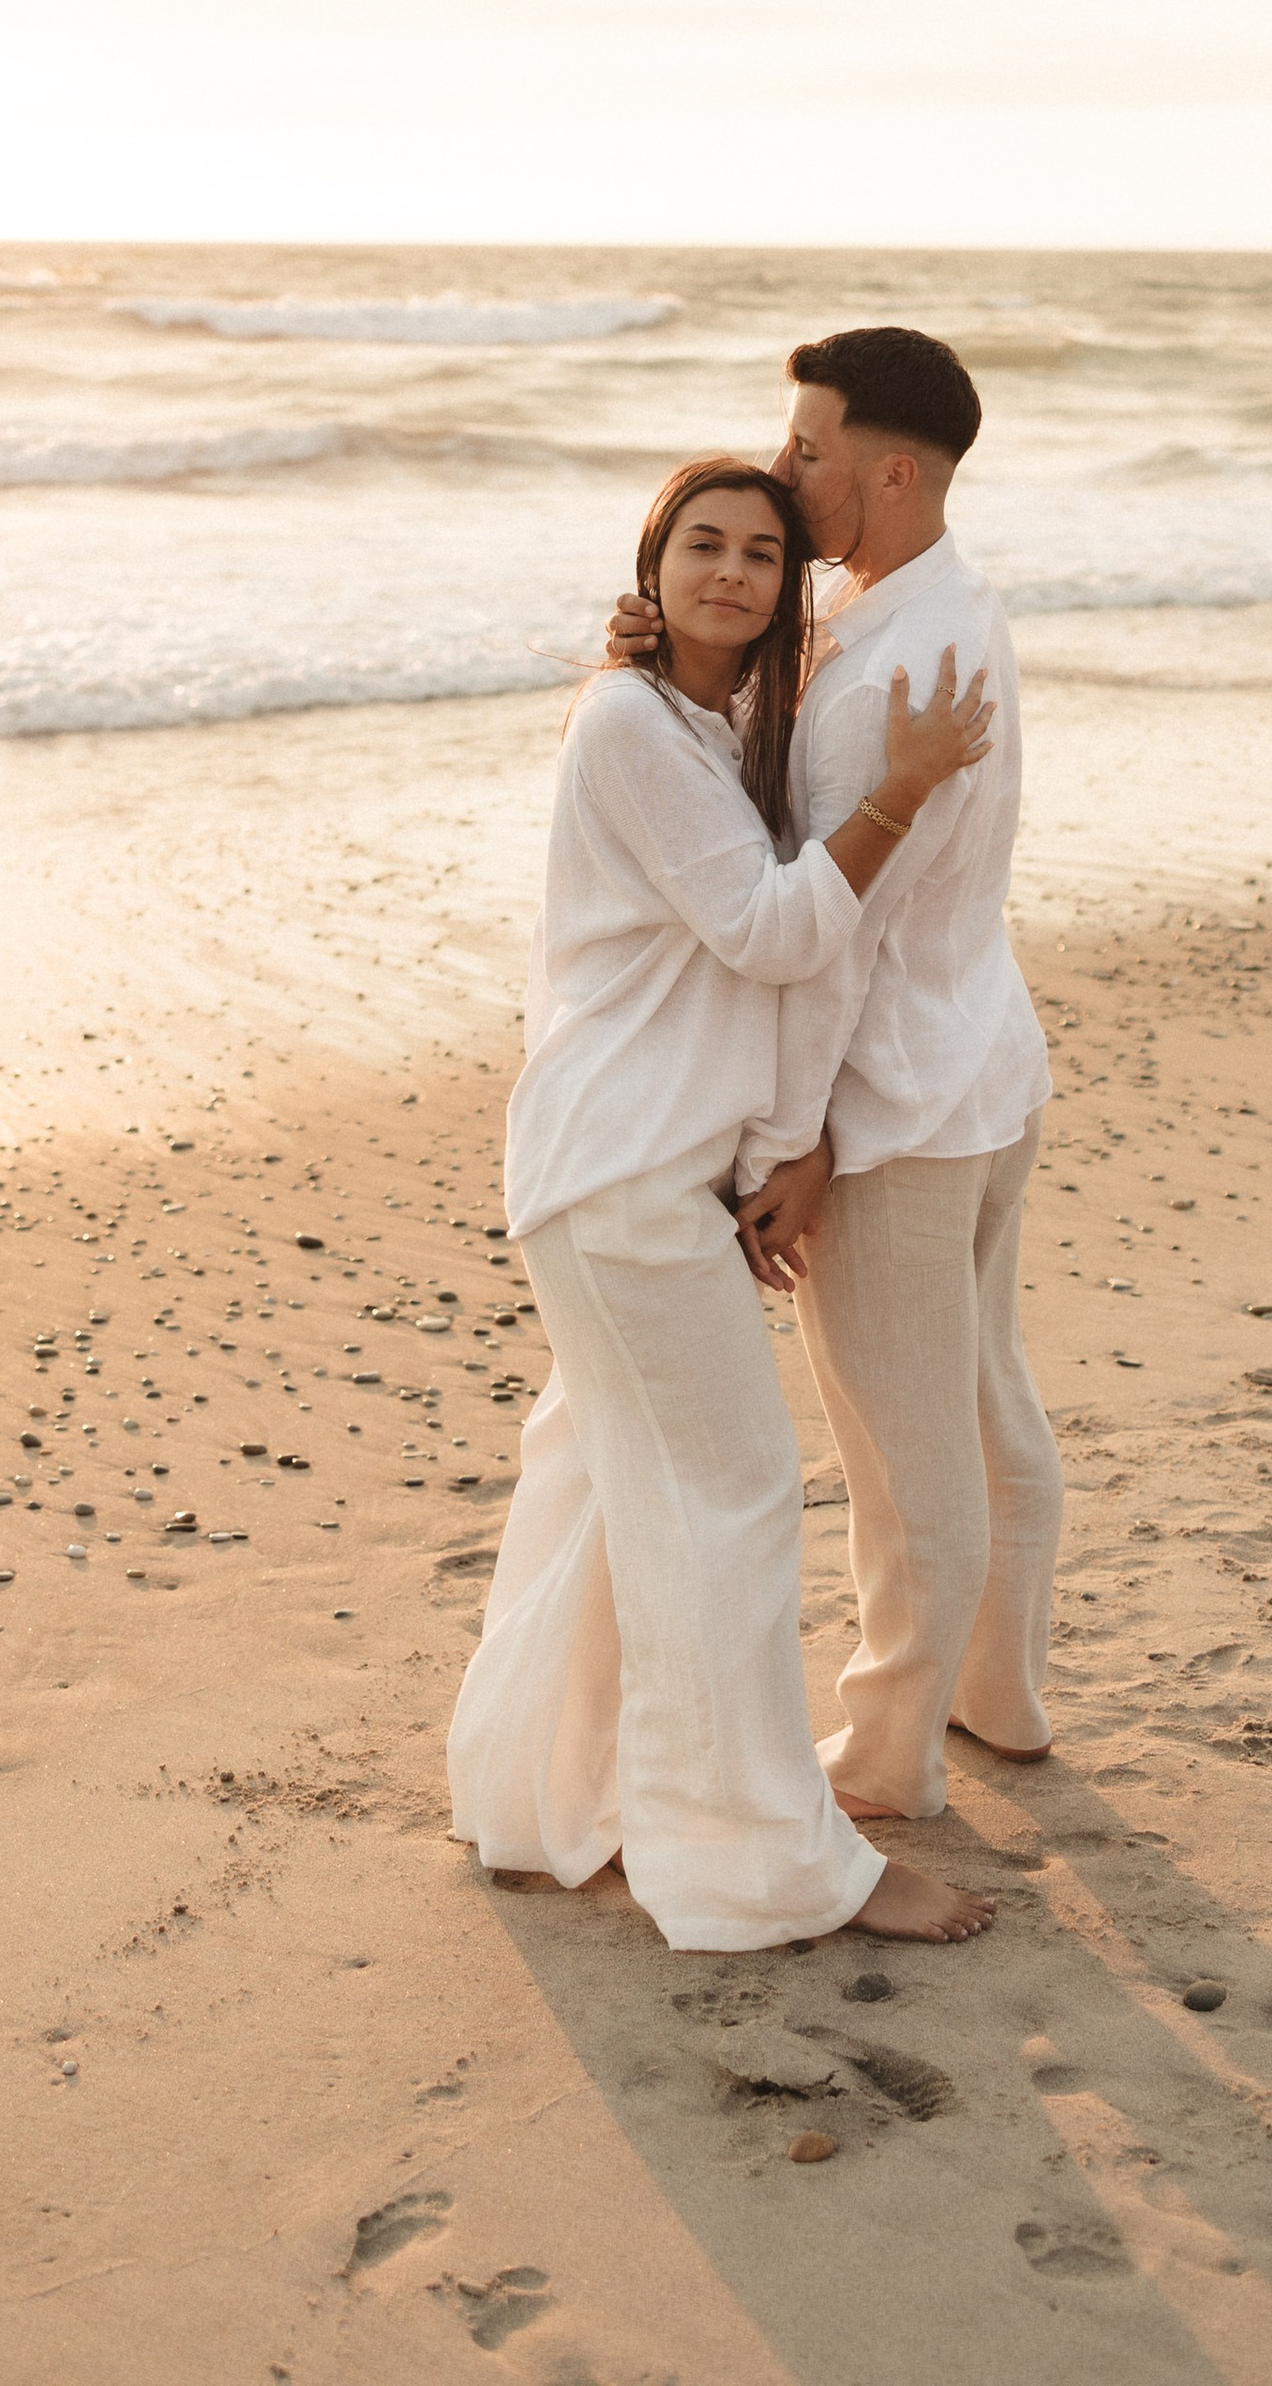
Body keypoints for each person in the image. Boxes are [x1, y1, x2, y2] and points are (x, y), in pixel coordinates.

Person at [447, 453, 1000, 1953]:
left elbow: (743, 926)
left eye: (764, 553)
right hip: (618, 1171)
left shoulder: (703, 721)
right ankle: (766, 1866)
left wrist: (767, 1150)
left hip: (639, 1163)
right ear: (653, 564)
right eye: (704, 546)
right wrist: (901, 787)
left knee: (608, 1497)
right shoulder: (630, 723)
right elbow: (765, 934)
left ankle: (542, 1804)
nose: (733, 573)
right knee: (732, 1498)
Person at [610, 327, 1062, 1828]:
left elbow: (833, 938)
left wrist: (795, 1142)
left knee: (901, 1447)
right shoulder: (937, 612)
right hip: (980, 1066)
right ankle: (1001, 1689)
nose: (789, 473)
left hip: (904, 1105)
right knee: (986, 1404)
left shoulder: (893, 666)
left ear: (891, 470)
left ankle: (888, 1753)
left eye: (807, 452)